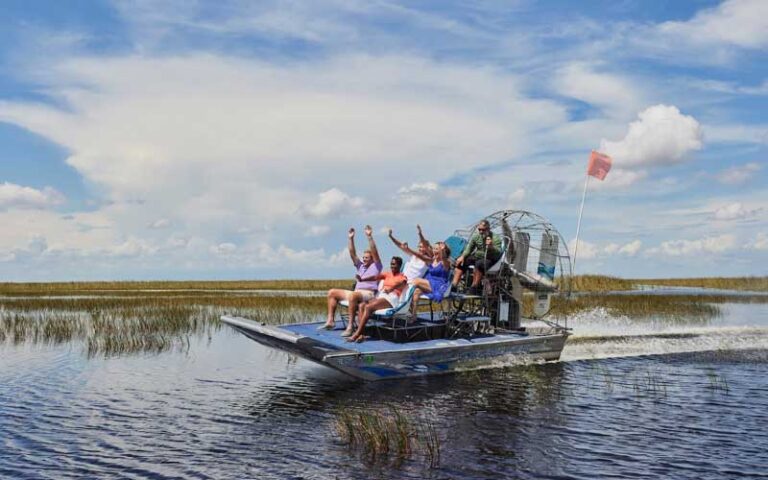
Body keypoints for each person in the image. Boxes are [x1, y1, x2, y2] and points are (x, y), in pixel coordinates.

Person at [322, 225, 382, 334]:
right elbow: (352, 253)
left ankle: (350, 327)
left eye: (367, 258)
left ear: (373, 259)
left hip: (369, 294)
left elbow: (375, 251)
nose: (364, 259)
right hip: (357, 293)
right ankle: (330, 321)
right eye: (363, 257)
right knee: (332, 292)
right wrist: (350, 238)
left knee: (353, 295)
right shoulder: (360, 266)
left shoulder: (377, 266)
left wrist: (369, 237)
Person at [347, 256, 407, 343]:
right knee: (361, 305)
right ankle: (361, 335)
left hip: (392, 298)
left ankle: (357, 333)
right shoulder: (387, 274)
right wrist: (362, 279)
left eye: (394, 264)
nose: (392, 266)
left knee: (368, 307)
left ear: (399, 265)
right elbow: (375, 277)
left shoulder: (402, 276)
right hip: (382, 296)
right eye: (391, 264)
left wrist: (392, 288)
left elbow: (403, 283)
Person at [400, 239, 452, 319]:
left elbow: (444, 258)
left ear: (442, 250)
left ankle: (401, 304)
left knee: (415, 281)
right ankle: (413, 315)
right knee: (416, 291)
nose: (434, 251)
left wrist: (442, 251)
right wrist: (408, 249)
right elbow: (420, 256)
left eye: (437, 249)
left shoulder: (445, 262)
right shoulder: (432, 260)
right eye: (434, 249)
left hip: (439, 285)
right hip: (429, 283)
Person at [452, 219, 501, 295]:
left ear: (488, 229)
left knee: (479, 263)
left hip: (490, 259)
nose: (481, 231)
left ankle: (474, 287)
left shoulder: (495, 237)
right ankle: (454, 285)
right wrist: (462, 256)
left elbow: (499, 252)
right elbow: (468, 249)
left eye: (483, 230)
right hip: (478, 256)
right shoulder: (476, 237)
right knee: (462, 261)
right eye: (479, 229)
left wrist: (491, 247)